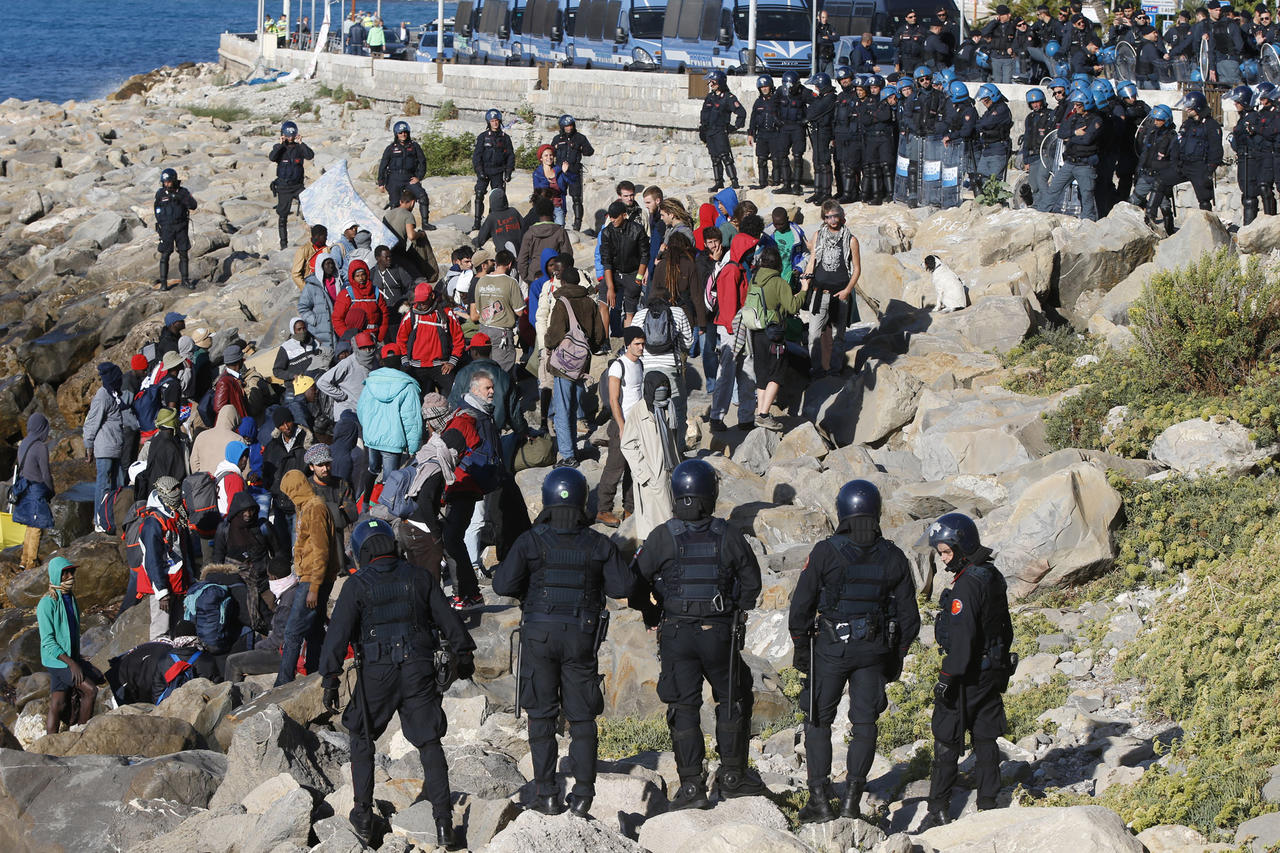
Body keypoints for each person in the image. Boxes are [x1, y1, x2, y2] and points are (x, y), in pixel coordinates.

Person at [319, 518, 476, 848]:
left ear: (362, 552)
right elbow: (449, 620)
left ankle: (362, 817)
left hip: (377, 672)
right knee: (429, 742)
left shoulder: (357, 584)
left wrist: (330, 678)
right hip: (418, 668)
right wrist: (463, 657)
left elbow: (336, 636)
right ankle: (444, 825)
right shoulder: (419, 577)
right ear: (392, 544)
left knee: (362, 736)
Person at [493, 468, 631, 816]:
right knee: (582, 718)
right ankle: (583, 795)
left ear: (549, 498)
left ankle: (547, 794)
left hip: (539, 635)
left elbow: (502, 586)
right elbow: (622, 588)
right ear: (583, 499)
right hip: (581, 639)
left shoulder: (531, 540)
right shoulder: (599, 542)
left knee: (540, 717)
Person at [632, 459, 767, 807]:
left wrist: (654, 608)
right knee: (734, 698)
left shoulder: (662, 536)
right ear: (711, 494)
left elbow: (633, 582)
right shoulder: (729, 534)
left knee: (683, 706)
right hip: (719, 633)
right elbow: (752, 584)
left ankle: (692, 786)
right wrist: (733, 609)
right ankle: (733, 775)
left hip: (677, 633)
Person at [788, 481, 921, 823]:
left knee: (818, 721)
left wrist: (802, 648)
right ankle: (851, 801)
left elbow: (800, 606)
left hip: (831, 648)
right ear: (876, 512)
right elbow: (909, 617)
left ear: (842, 511)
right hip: (874, 650)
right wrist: (897, 656)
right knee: (865, 724)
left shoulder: (825, 552)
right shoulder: (893, 555)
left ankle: (819, 800)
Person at [920, 513, 1015, 828]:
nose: (944, 559)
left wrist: (947, 678)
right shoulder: (991, 573)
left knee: (946, 739)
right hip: (992, 669)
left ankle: (938, 810)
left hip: (967, 676)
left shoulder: (966, 586)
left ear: (963, 547)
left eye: (947, 552)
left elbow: (962, 641)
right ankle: (989, 801)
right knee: (986, 737)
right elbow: (1005, 625)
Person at [274, 469, 342, 686]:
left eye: (289, 492)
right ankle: (316, 672)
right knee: (313, 630)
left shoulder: (315, 509)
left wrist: (314, 586)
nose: (288, 497)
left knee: (293, 632)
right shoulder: (307, 507)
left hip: (313, 578)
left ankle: (283, 683)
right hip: (315, 577)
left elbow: (321, 550)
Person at [442, 371, 503, 611]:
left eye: (492, 388)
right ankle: (470, 591)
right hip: (468, 483)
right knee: (457, 536)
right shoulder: (468, 418)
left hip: (470, 484)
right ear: (475, 389)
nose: (492, 392)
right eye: (488, 388)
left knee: (453, 538)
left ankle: (466, 594)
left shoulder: (475, 414)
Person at [545, 267, 607, 468]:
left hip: (564, 365)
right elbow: (599, 335)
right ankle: (572, 450)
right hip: (582, 364)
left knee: (563, 409)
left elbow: (554, 334)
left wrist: (548, 344)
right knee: (574, 407)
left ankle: (567, 455)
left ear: (563, 282)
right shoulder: (590, 302)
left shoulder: (562, 303)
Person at [37, 557, 99, 734]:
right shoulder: (47, 603)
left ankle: (50, 742)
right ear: (57, 575)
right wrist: (71, 664)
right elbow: (48, 641)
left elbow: (72, 632)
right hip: (56, 660)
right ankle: (79, 734)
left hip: (69, 657)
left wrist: (77, 657)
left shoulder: (70, 598)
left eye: (72, 572)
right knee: (90, 691)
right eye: (66, 573)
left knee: (59, 703)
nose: (70, 576)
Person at [800, 201, 861, 379]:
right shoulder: (819, 235)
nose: (832, 220)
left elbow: (856, 268)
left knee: (838, 336)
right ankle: (816, 370)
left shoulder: (851, 239)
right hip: (820, 292)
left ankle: (835, 370)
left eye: (835, 216)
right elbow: (812, 260)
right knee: (813, 334)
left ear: (841, 216)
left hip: (840, 293)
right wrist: (806, 280)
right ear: (824, 218)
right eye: (828, 217)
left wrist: (848, 290)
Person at [752, 244, 809, 432]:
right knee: (776, 373)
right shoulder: (778, 282)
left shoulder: (754, 279)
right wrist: (804, 289)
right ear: (777, 263)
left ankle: (760, 411)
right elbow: (792, 307)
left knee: (761, 374)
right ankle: (764, 415)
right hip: (773, 334)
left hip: (756, 333)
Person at [708, 231, 759, 433]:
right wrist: (732, 328)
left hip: (739, 325)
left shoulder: (739, 268)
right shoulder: (733, 271)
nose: (753, 252)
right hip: (733, 327)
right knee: (728, 372)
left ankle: (746, 417)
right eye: (750, 249)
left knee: (746, 370)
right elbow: (729, 303)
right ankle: (717, 416)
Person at [356, 351, 423, 502]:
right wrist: (413, 448)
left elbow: (361, 410)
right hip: (393, 442)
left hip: (372, 438)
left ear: (382, 362)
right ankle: (385, 513)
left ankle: (365, 504)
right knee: (390, 480)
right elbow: (411, 419)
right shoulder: (407, 386)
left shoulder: (370, 383)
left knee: (372, 470)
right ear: (400, 362)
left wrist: (369, 430)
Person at [597, 329, 645, 527]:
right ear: (628, 344)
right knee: (614, 469)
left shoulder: (640, 364)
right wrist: (622, 426)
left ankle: (629, 508)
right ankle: (603, 510)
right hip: (621, 426)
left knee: (633, 469)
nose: (641, 348)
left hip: (638, 424)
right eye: (637, 344)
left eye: (642, 344)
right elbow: (613, 399)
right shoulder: (618, 366)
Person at [139, 476, 195, 641]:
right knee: (160, 631)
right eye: (174, 489)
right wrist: (162, 593)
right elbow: (152, 560)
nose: (178, 492)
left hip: (177, 581)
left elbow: (184, 551)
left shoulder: (174, 515)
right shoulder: (153, 523)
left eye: (179, 488)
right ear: (163, 493)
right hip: (161, 584)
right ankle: (159, 664)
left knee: (178, 628)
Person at [1038, 90, 1102, 220]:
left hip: (1085, 164)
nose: (1076, 107)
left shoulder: (1096, 120)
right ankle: (1041, 214)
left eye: (1079, 105)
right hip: (1069, 163)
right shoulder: (1073, 117)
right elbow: (1061, 133)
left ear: (1087, 104)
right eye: (1075, 104)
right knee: (1053, 189)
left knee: (1086, 195)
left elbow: (1087, 140)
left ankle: (1088, 221)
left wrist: (1070, 138)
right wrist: (1074, 133)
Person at [397, 281, 464, 395]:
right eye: (418, 302)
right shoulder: (412, 314)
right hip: (416, 367)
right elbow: (401, 338)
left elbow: (459, 338)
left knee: (453, 396)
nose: (421, 305)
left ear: (432, 296)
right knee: (418, 400)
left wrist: (452, 361)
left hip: (441, 366)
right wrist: (404, 358)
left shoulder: (445, 313)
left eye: (423, 302)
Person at [84, 362, 128, 534]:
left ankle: (115, 517)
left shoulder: (115, 394)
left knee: (119, 484)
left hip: (115, 447)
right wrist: (88, 446)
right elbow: (91, 423)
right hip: (104, 449)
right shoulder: (103, 396)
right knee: (103, 486)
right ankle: (99, 519)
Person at [468, 249, 524, 375]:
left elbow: (478, 310)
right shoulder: (511, 282)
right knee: (502, 371)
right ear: (509, 264)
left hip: (483, 330)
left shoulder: (481, 281)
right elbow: (519, 312)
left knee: (484, 371)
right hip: (502, 333)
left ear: (496, 263)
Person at [598, 199, 649, 329]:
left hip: (632, 273)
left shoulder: (637, 230)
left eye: (615, 217)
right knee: (603, 303)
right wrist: (610, 287)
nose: (612, 220)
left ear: (624, 215)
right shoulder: (607, 232)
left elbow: (644, 254)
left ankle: (628, 345)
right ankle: (604, 342)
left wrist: (639, 276)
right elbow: (606, 261)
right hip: (614, 273)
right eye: (610, 217)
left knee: (629, 312)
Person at [13, 413, 54, 571]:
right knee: (37, 527)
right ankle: (31, 562)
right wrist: (51, 490)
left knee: (30, 524)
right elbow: (45, 473)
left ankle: (23, 560)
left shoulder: (24, 443)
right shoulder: (40, 447)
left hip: (25, 487)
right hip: (37, 488)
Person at [1177, 90, 1224, 213]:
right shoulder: (1187, 124)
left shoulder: (1211, 125)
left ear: (1197, 107)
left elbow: (1216, 149)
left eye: (1190, 108)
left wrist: (1209, 168)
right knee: (1161, 183)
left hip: (1200, 166)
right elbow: (1178, 142)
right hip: (1184, 164)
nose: (1187, 110)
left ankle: (1206, 224)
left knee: (1204, 199)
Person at [269, 121, 314, 250]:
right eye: (287, 136)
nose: (290, 138)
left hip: (297, 186)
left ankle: (313, 238)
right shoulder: (279, 148)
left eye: (292, 136)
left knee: (309, 204)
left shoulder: (299, 148)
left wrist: (301, 143)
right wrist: (280, 144)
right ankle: (283, 244)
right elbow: (272, 157)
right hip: (283, 187)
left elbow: (310, 155)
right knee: (282, 216)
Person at [699, 70, 746, 193]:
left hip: (720, 131)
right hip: (709, 132)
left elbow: (741, 112)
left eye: (713, 82)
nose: (711, 84)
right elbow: (704, 114)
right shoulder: (710, 97)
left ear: (719, 82)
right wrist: (702, 129)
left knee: (725, 156)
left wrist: (734, 127)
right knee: (715, 158)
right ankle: (718, 182)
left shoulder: (728, 97)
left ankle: (734, 181)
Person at [153, 167, 197, 291]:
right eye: (164, 182)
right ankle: (163, 283)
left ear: (173, 180)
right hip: (166, 229)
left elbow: (194, 205)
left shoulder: (183, 192)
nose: (166, 184)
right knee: (165, 254)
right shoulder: (160, 193)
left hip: (181, 227)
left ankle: (185, 280)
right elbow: (157, 209)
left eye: (168, 182)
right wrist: (161, 224)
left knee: (183, 253)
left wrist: (183, 199)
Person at [471, 109, 515, 232]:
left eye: (497, 121)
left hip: (498, 171)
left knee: (497, 197)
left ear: (500, 122)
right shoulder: (483, 137)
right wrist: (479, 171)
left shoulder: (505, 138)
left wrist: (508, 172)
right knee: (479, 194)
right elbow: (477, 156)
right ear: (488, 122)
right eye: (492, 121)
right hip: (484, 170)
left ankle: (493, 222)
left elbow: (510, 156)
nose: (495, 123)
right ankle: (477, 222)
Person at [549, 115, 594, 231]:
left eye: (570, 126)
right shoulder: (557, 139)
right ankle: (559, 221)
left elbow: (590, 151)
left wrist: (581, 148)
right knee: (558, 196)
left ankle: (577, 224)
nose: (569, 128)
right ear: (562, 127)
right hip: (560, 172)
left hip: (574, 171)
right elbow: (549, 154)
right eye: (566, 126)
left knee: (577, 198)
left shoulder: (580, 138)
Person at [517, 196, 571, 285]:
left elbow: (522, 259)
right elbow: (567, 256)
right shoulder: (560, 232)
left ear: (537, 212)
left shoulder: (530, 233)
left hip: (534, 276)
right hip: (554, 276)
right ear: (552, 211)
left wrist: (527, 278)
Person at [334, 260, 390, 342]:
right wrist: (348, 337)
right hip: (354, 339)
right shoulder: (346, 294)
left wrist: (380, 337)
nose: (361, 278)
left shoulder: (376, 292)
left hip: (374, 338)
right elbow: (337, 319)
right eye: (357, 276)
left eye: (363, 275)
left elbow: (384, 315)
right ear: (352, 277)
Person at [772, 71, 810, 196]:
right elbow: (773, 105)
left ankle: (797, 185)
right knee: (782, 155)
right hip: (784, 127)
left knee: (798, 156)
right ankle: (786, 184)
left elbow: (817, 103)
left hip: (798, 127)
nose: (789, 88)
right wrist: (776, 119)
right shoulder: (780, 91)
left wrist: (807, 119)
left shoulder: (803, 92)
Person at [1020, 89, 1055, 208]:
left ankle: (1045, 206)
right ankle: (1036, 206)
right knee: (1033, 185)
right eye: (1032, 103)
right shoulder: (1029, 118)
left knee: (1041, 182)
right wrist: (1026, 160)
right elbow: (1026, 139)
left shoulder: (1050, 115)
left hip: (1045, 155)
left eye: (1037, 102)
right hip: (1032, 155)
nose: (1035, 105)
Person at [806, 73, 837, 204]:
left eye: (817, 87)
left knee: (824, 162)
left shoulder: (829, 98)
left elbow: (812, 112)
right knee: (817, 161)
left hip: (825, 132)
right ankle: (818, 191)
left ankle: (826, 192)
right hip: (817, 131)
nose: (816, 89)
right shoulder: (821, 98)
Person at [747, 75, 782, 190]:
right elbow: (753, 119)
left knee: (776, 160)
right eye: (762, 87)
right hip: (762, 134)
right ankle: (763, 183)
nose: (764, 89)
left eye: (766, 86)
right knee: (761, 159)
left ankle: (776, 182)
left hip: (774, 134)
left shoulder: (777, 100)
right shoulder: (758, 102)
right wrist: (750, 134)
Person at [475, 188, 525, 258]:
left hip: (503, 254)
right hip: (520, 249)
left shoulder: (492, 217)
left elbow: (481, 238)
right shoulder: (514, 211)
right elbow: (524, 227)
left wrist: (475, 242)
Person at [293, 224, 329, 292]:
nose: (326, 239)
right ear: (317, 236)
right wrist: (307, 290)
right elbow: (295, 274)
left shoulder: (326, 249)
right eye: (325, 236)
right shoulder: (303, 250)